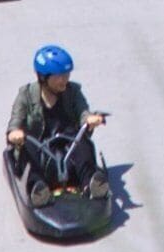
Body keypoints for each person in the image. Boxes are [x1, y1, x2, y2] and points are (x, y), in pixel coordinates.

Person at [6, 44, 103, 193]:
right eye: (59, 76)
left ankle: (90, 185)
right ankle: (38, 190)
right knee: (27, 146)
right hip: (41, 151)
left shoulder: (73, 91)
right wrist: (15, 133)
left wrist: (89, 120)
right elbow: (15, 122)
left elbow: (83, 111)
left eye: (67, 74)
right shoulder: (25, 95)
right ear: (44, 77)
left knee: (83, 142)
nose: (65, 80)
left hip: (68, 149)